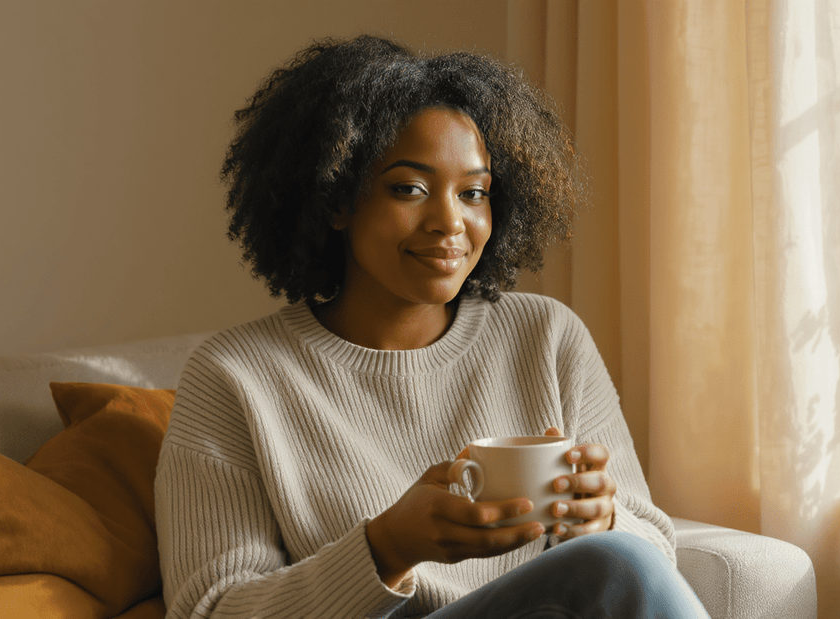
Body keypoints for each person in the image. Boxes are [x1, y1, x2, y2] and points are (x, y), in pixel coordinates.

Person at [155, 35, 708, 619]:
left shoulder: (547, 338)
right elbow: (212, 611)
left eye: (474, 193)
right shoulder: (233, 378)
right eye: (409, 189)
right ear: (337, 198)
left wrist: (602, 520)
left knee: (620, 558)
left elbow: (650, 553)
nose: (450, 221)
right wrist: (389, 546)